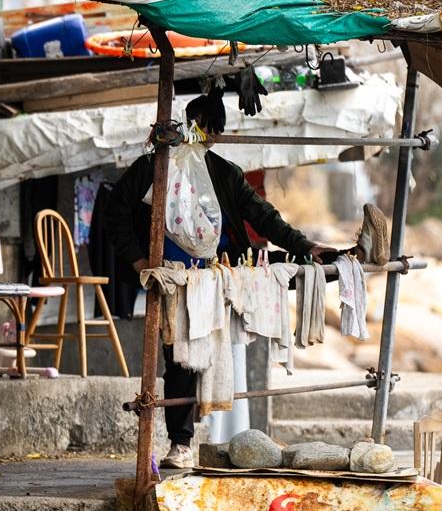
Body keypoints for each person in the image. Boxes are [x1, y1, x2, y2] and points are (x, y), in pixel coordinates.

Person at [100, 90, 333, 470]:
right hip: (171, 279)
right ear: (188, 125)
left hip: (217, 277)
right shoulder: (153, 168)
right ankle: (181, 443)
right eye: (199, 127)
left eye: (209, 131)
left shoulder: (225, 174)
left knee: (207, 358)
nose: (203, 135)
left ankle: (199, 439)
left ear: (217, 135)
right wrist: (140, 259)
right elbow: (115, 214)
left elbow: (263, 217)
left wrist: (304, 246)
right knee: (180, 359)